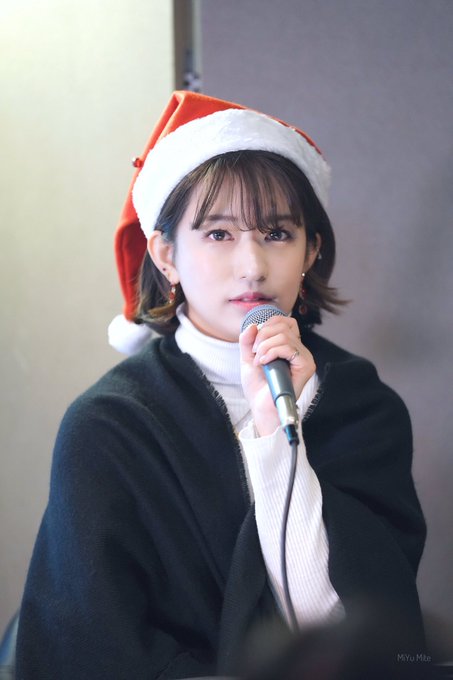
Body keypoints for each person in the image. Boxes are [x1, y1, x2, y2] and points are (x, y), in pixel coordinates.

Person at [16, 91, 427, 679]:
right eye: (218, 234)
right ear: (166, 255)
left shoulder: (362, 404)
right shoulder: (111, 425)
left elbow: (357, 639)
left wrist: (276, 434)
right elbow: (90, 648)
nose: (252, 266)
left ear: (311, 249)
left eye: (277, 234)